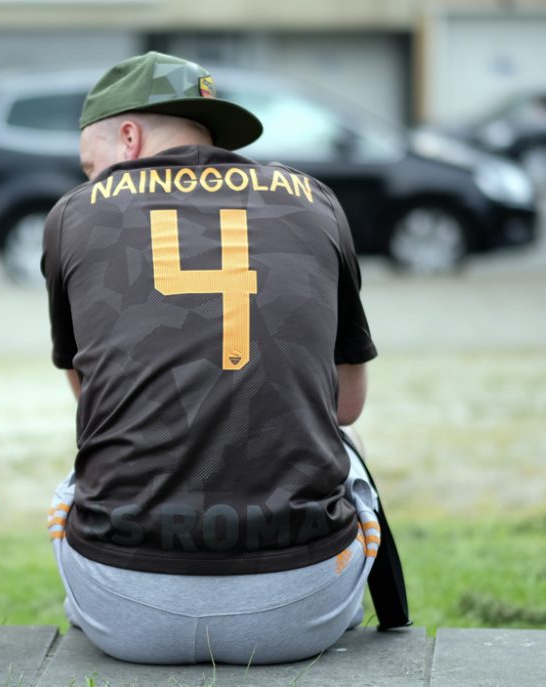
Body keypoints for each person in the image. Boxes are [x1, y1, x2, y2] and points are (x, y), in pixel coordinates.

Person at [42, 52, 392, 665]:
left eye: (89, 166)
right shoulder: (313, 199)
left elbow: (95, 399)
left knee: (76, 474)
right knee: (347, 443)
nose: (89, 179)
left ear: (128, 137)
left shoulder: (74, 214)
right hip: (302, 607)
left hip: (124, 609)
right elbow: (348, 403)